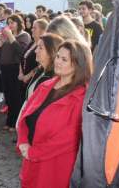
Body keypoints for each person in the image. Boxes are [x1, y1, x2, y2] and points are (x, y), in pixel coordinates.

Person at [17, 40, 92, 188]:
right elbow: (25, 115)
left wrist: (34, 152)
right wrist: (23, 142)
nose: (57, 61)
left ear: (78, 64)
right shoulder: (46, 85)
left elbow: (69, 138)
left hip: (55, 166)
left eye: (64, 59)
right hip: (31, 159)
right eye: (58, 56)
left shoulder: (81, 97)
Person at [0, 13, 31, 131]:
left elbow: (21, 52)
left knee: (15, 96)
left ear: (19, 23)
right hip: (5, 69)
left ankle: (15, 122)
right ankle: (9, 120)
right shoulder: (8, 36)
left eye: (12, 23)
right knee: (8, 96)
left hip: (16, 69)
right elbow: (1, 52)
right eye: (8, 23)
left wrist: (11, 37)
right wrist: (0, 44)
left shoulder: (24, 36)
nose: (10, 25)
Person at [18, 19, 49, 104]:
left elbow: (41, 65)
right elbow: (22, 58)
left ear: (43, 31)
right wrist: (21, 72)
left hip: (32, 80)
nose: (31, 29)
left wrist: (28, 75)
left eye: (34, 28)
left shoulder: (44, 46)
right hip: (23, 79)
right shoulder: (31, 43)